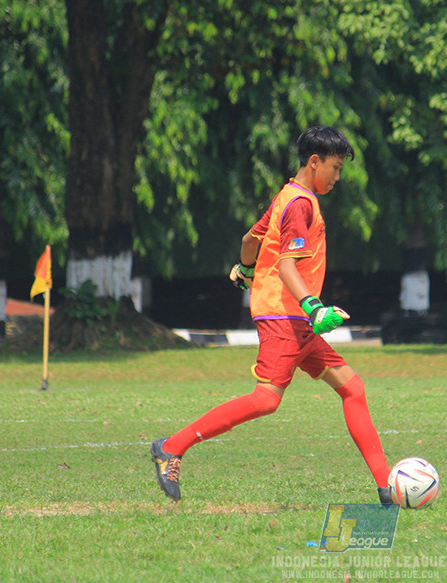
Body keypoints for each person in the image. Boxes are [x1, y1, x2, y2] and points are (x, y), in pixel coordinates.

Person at [150, 126, 393, 505]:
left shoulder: (285, 196)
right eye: (334, 167)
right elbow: (287, 268)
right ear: (314, 162)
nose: (337, 177)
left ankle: (385, 486)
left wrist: (245, 271)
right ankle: (172, 446)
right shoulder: (301, 204)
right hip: (287, 316)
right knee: (266, 400)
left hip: (292, 320)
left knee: (352, 388)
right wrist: (315, 308)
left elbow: (250, 241)